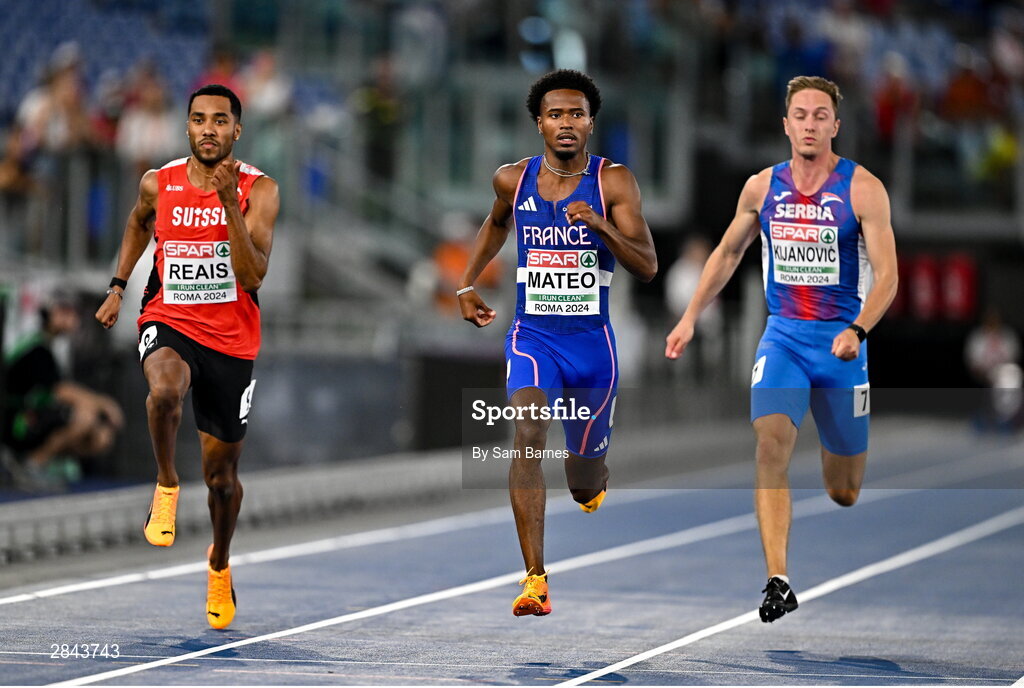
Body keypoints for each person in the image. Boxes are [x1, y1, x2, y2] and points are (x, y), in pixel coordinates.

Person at [665, 76, 898, 623]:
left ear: (835, 126)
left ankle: (833, 434)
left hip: (842, 345)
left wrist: (858, 330)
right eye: (801, 114)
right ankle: (778, 579)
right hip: (784, 338)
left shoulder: (864, 189)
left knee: (843, 490)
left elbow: (887, 277)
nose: (811, 124)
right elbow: (725, 254)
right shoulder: (760, 188)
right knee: (769, 445)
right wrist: (690, 317)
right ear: (786, 124)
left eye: (821, 116)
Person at [458, 69, 657, 617]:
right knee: (526, 433)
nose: (565, 123)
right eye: (555, 114)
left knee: (582, 481)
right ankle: (535, 579)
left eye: (576, 114)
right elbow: (495, 224)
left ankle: (593, 473)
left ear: (591, 122)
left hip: (593, 347)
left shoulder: (615, 182)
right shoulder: (512, 180)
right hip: (533, 337)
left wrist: (601, 227)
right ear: (538, 123)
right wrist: (467, 282)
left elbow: (646, 266)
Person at [95, 84, 279, 629]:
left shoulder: (260, 190)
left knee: (222, 479)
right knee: (165, 392)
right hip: (169, 318)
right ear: (187, 126)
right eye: (198, 119)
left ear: (236, 131)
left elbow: (253, 275)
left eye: (220, 121)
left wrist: (226, 202)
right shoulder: (160, 182)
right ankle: (167, 484)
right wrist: (117, 285)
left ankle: (219, 563)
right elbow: (136, 223)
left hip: (232, 340)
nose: (208, 129)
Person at [3, 298, 123, 491]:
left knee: (101, 436)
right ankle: (32, 464)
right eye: (65, 312)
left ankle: (44, 464)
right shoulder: (36, 347)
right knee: (84, 416)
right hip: (16, 421)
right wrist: (103, 403)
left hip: (30, 416)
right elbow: (61, 391)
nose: (73, 318)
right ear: (50, 315)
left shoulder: (53, 346)